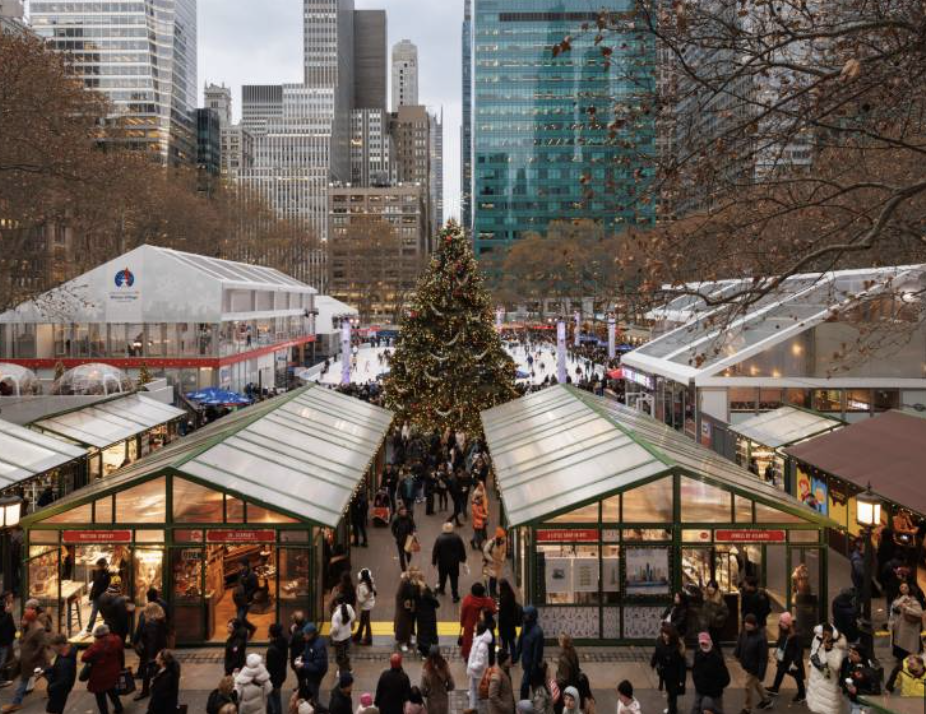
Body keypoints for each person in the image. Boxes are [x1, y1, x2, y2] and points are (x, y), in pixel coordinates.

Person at [2, 599, 49, 713]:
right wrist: (23, 628)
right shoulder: (28, 624)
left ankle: (15, 703)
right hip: (28, 659)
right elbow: (22, 638)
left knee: (45, 675)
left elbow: (42, 644)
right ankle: (16, 703)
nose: (23, 619)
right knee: (37, 677)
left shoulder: (39, 628)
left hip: (36, 660)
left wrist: (34, 655)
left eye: (25, 617)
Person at [887, 581, 923, 691]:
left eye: (905, 587)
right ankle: (902, 661)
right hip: (899, 628)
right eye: (901, 587)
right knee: (900, 646)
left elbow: (919, 613)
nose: (903, 589)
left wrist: (906, 608)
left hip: (908, 630)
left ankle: (907, 663)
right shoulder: (900, 598)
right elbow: (894, 607)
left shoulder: (914, 601)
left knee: (908, 647)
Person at [81, 623, 125, 714]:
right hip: (114, 670)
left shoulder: (96, 646)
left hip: (100, 675)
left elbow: (84, 658)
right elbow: (121, 653)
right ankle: (118, 707)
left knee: (100, 696)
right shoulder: (117, 639)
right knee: (112, 690)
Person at [806, 624, 847, 714]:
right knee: (816, 705)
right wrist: (811, 662)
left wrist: (829, 651)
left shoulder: (837, 646)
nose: (826, 638)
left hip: (828, 683)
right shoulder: (817, 638)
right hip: (816, 678)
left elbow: (836, 666)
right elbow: (813, 650)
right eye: (824, 635)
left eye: (828, 635)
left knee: (826, 708)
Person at [765, 611, 805, 704]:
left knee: (798, 676)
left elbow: (800, 651)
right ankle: (775, 688)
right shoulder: (784, 631)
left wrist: (795, 662)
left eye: (782, 623)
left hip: (793, 660)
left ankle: (802, 694)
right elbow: (780, 641)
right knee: (780, 670)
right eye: (780, 623)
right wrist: (776, 648)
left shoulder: (796, 635)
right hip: (785, 658)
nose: (780, 625)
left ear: (787, 624)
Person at [734, 614, 771, 713]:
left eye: (749, 623)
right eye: (746, 622)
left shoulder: (761, 638)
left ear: (755, 625)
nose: (747, 625)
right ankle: (766, 700)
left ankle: (747, 708)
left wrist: (761, 673)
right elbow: (740, 643)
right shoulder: (744, 632)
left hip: (755, 667)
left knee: (747, 686)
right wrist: (736, 654)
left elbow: (763, 658)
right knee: (755, 683)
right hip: (747, 664)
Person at [133, 601, 168, 701]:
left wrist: (150, 657)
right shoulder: (161, 619)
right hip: (161, 648)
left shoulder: (151, 624)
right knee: (159, 669)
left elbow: (152, 641)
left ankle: (145, 691)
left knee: (147, 672)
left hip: (150, 651)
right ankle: (155, 687)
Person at [691, 632, 730, 714]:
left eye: (705, 643)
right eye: (701, 643)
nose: (703, 645)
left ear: (709, 642)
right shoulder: (698, 654)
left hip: (714, 693)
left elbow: (725, 678)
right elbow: (695, 672)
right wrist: (698, 683)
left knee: (715, 710)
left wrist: (715, 688)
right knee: (696, 709)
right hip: (701, 690)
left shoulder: (716, 657)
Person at [651, 624, 686, 714]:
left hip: (674, 675)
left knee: (672, 695)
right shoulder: (660, 642)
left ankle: (672, 710)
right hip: (664, 673)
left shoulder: (677, 647)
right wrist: (653, 663)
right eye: (663, 633)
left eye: (666, 634)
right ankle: (672, 708)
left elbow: (682, 665)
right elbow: (656, 654)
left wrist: (682, 679)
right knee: (669, 693)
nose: (664, 635)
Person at [460, 582, 496, 660]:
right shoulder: (487, 601)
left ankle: (469, 657)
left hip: (470, 625)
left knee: (469, 642)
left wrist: (462, 623)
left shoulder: (467, 600)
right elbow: (493, 611)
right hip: (483, 625)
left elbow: (463, 613)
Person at [432, 522, 467, 603]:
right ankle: (455, 596)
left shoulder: (440, 538)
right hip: (454, 563)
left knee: (442, 577)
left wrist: (434, 562)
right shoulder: (457, 537)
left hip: (442, 563)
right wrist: (463, 559)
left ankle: (441, 589)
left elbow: (435, 551)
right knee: (454, 579)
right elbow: (462, 548)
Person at [841, 643, 879, 714]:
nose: (850, 654)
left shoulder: (869, 671)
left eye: (855, 653)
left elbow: (876, 693)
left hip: (863, 705)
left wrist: (857, 691)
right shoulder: (849, 663)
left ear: (861, 657)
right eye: (850, 651)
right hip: (851, 701)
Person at [43, 634, 77, 714]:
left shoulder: (64, 662)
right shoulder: (67, 651)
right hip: (63, 690)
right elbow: (56, 667)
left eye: (53, 646)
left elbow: (63, 681)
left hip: (59, 692)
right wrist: (44, 671)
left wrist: (51, 688)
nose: (52, 649)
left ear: (61, 645)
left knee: (53, 711)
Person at [517, 606, 544, 700]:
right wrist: (515, 657)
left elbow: (538, 653)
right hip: (526, 664)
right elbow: (519, 643)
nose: (524, 617)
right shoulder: (524, 627)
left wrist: (533, 667)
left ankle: (526, 705)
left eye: (526, 615)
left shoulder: (537, 632)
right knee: (533, 687)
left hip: (532, 667)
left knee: (527, 686)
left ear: (532, 616)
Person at [467, 621, 493, 711]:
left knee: (478, 691)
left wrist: (471, 666)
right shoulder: (478, 639)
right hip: (475, 672)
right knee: (473, 689)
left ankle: (474, 708)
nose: (474, 627)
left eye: (476, 626)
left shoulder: (482, 645)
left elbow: (480, 663)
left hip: (477, 673)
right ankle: (473, 707)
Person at [420, 645, 454, 714]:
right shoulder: (444, 666)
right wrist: (446, 689)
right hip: (443, 699)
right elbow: (452, 684)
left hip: (432, 700)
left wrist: (427, 694)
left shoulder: (426, 669)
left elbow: (422, 689)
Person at [300, 623, 328, 703]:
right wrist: (302, 656)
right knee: (311, 688)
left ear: (311, 634)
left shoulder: (318, 646)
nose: (303, 636)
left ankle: (314, 705)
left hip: (316, 674)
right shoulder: (310, 641)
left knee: (313, 690)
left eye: (305, 634)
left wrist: (303, 665)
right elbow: (307, 651)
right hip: (311, 672)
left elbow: (317, 666)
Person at [394, 568, 421, 653]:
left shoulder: (414, 582)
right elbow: (399, 596)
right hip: (404, 608)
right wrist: (405, 603)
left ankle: (408, 639)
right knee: (403, 625)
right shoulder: (405, 582)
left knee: (410, 624)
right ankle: (402, 642)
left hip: (410, 607)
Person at [98, 577, 131, 644]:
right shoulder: (120, 601)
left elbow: (101, 611)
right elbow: (123, 618)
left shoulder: (102, 597)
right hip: (119, 630)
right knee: (118, 647)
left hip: (107, 625)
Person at [146, 650, 180, 714]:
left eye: (157, 657)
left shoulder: (166, 678)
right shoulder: (170, 668)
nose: (155, 658)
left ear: (163, 661)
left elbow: (159, 697)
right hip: (169, 705)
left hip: (162, 708)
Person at [266, 623, 289, 714]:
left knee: (275, 700)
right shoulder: (284, 641)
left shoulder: (271, 650)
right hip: (281, 675)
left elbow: (270, 668)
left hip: (273, 679)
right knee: (272, 699)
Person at [330, 597, 356, 675]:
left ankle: (342, 671)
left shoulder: (335, 615)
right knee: (344, 654)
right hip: (348, 635)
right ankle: (349, 669)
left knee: (340, 656)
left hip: (339, 639)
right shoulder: (349, 607)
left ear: (336, 603)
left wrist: (330, 632)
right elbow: (353, 618)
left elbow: (335, 629)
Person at [86, 558, 111, 634]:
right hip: (98, 596)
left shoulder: (106, 574)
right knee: (97, 612)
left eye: (98, 566)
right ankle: (90, 628)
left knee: (101, 613)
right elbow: (95, 586)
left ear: (101, 566)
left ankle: (106, 627)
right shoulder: (99, 572)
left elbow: (100, 586)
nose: (97, 567)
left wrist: (92, 596)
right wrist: (91, 596)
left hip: (101, 596)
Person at [554, 634, 580, 710]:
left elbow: (564, 678)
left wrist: (556, 680)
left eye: (559, 640)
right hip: (574, 682)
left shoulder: (563, 658)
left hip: (566, 687)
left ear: (562, 643)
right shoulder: (573, 651)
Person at [498, 579, 522, 658]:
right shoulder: (511, 594)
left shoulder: (504, 597)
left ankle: (505, 656)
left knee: (505, 642)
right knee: (511, 641)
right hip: (511, 623)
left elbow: (502, 612)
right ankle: (514, 656)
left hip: (505, 624)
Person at [700, 581, 728, 648]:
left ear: (716, 589)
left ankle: (718, 658)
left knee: (715, 645)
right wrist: (702, 621)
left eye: (712, 587)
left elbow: (725, 613)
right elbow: (703, 612)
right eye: (709, 586)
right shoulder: (706, 599)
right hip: (706, 626)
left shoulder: (719, 600)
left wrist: (716, 619)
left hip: (716, 627)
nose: (710, 588)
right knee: (707, 646)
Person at [415, 584, 440, 657]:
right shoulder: (426, 594)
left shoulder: (416, 593)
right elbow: (436, 603)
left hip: (420, 616)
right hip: (429, 617)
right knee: (429, 634)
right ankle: (425, 653)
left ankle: (420, 647)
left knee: (421, 631)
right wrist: (435, 592)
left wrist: (435, 591)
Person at [489, 650, 516, 714]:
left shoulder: (506, 672)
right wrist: (504, 707)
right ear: (504, 661)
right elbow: (492, 695)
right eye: (509, 659)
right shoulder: (497, 675)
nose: (510, 661)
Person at [483, 528, 507, 598]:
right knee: (493, 578)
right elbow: (485, 551)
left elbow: (504, 551)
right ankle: (492, 593)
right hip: (492, 564)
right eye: (502, 537)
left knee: (496, 577)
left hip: (498, 563)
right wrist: (491, 560)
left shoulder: (503, 540)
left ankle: (494, 592)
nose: (503, 539)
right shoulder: (491, 542)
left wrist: (502, 558)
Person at [354, 569, 376, 646]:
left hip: (365, 606)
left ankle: (368, 639)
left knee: (366, 622)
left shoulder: (361, 587)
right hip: (371, 603)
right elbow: (375, 592)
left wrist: (363, 595)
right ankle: (358, 635)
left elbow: (360, 600)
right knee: (363, 620)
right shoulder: (371, 582)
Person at [392, 506, 417, 571]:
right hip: (400, 540)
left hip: (408, 539)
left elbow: (413, 525)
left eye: (404, 511)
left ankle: (409, 564)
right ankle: (404, 570)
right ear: (399, 512)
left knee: (408, 554)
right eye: (402, 511)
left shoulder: (409, 518)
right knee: (401, 556)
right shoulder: (396, 519)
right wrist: (396, 536)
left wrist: (414, 531)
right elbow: (393, 529)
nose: (403, 512)